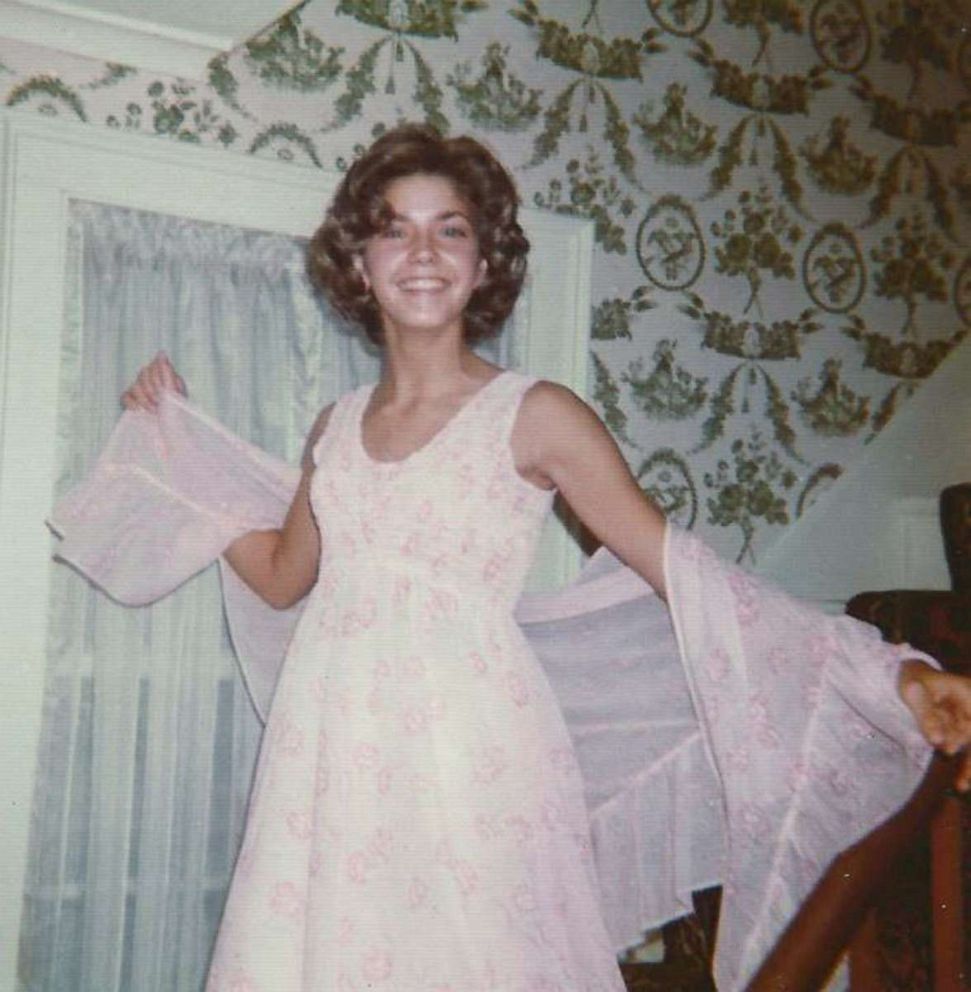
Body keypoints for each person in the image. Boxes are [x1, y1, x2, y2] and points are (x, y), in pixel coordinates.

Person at [115, 125, 970, 991]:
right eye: (393, 228)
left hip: (470, 749)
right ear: (360, 262)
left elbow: (681, 569)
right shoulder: (332, 429)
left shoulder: (537, 414)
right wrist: (181, 450)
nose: (421, 251)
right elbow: (279, 574)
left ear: (483, 265)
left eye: (450, 229)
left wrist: (885, 674)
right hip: (331, 753)